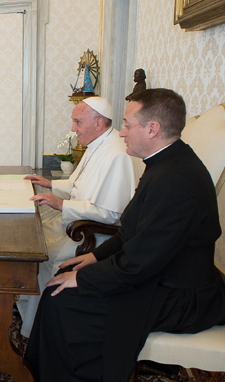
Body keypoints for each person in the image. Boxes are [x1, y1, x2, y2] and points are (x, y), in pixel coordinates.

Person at [25, 89, 225, 382]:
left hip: (181, 295)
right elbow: (133, 232)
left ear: (152, 128)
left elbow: (140, 263)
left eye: (127, 124)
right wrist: (94, 257)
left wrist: (85, 278)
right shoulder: (166, 166)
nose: (121, 132)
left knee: (64, 297)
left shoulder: (175, 180)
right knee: (62, 285)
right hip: (161, 276)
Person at [16, 97, 142, 337]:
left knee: (38, 248)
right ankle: (28, 305)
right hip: (79, 221)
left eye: (77, 122)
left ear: (99, 122)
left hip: (95, 235)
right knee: (30, 226)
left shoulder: (117, 155)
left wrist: (62, 205)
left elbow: (112, 214)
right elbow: (79, 186)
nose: (73, 129)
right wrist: (51, 185)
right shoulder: (97, 143)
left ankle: (40, 324)